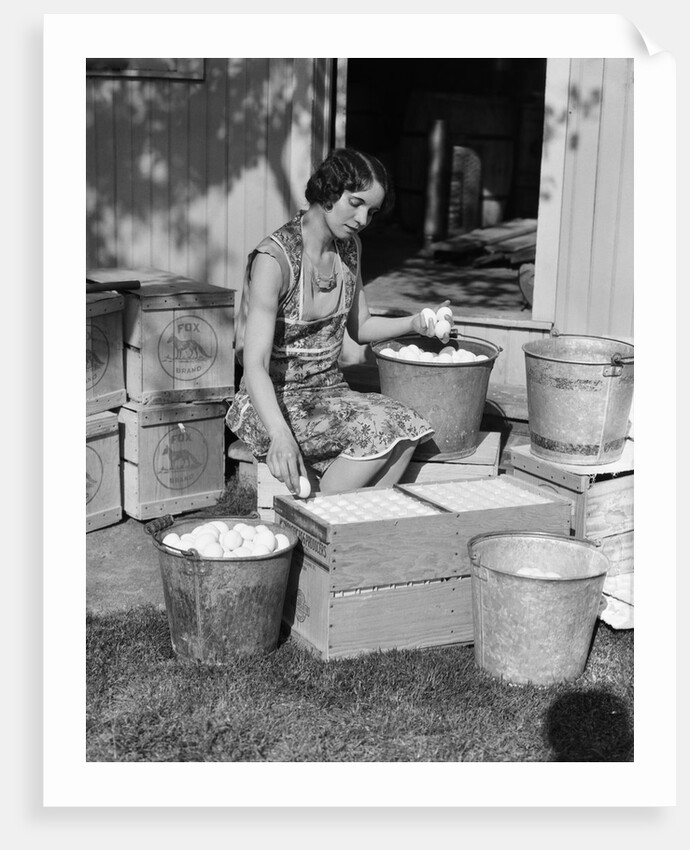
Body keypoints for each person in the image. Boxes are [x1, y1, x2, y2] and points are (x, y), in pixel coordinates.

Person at [226, 147, 453, 497]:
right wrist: (280, 435)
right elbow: (254, 365)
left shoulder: (350, 249)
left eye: (371, 211)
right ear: (329, 191)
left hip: (329, 392)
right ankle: (324, 516)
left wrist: (414, 323)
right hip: (273, 402)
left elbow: (361, 328)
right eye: (356, 203)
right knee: (377, 430)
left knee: (408, 427)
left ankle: (346, 519)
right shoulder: (274, 259)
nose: (362, 219)